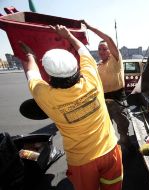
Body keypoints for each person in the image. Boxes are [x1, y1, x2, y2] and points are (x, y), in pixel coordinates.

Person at [19, 24, 123, 190]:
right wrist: (68, 35)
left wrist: (30, 55)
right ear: (76, 67)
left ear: (49, 75)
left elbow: (31, 73)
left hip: (83, 162)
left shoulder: (45, 96)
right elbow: (82, 50)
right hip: (111, 151)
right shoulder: (92, 79)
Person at [82, 21, 131, 147]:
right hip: (103, 102)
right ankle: (112, 148)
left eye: (105, 49)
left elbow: (108, 38)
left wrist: (89, 27)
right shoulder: (98, 65)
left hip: (117, 102)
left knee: (123, 130)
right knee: (105, 129)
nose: (102, 51)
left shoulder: (116, 59)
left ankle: (127, 147)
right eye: (100, 49)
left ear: (110, 50)